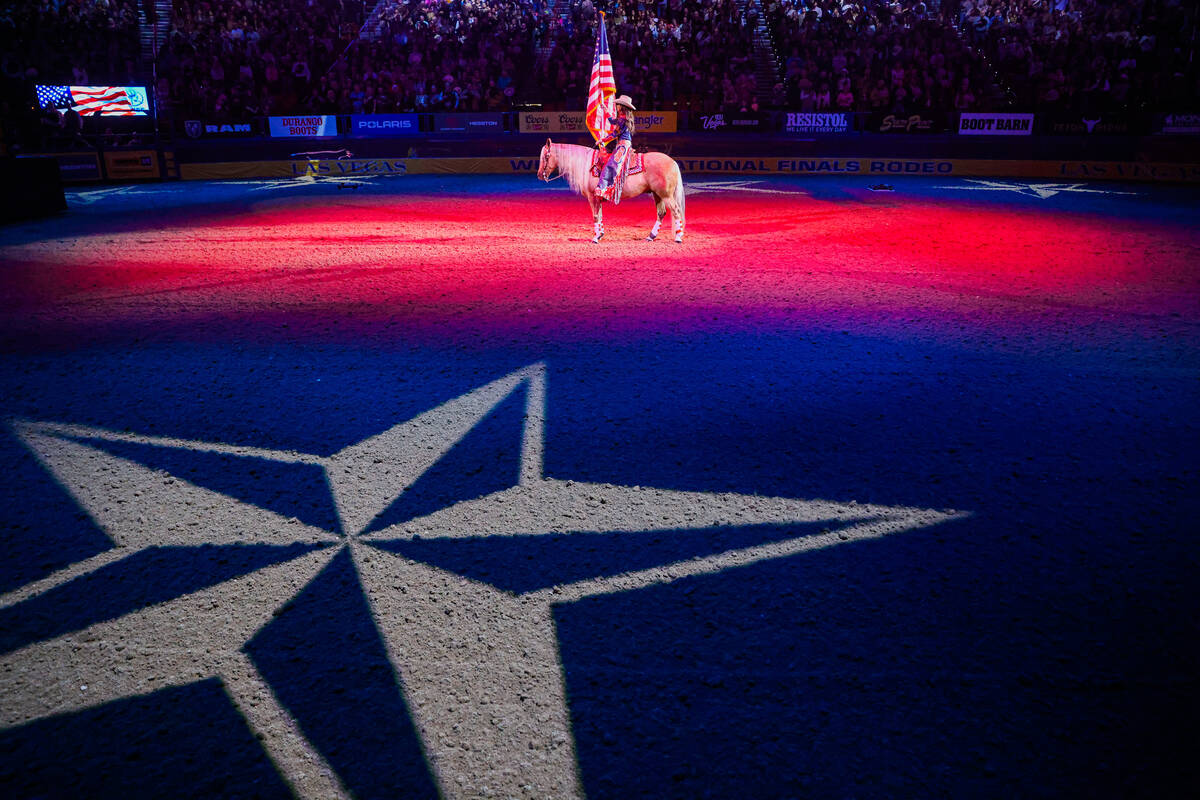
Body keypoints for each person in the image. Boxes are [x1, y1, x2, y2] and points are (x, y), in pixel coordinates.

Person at [595, 94, 636, 203]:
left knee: (611, 165)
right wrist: (605, 110)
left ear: (622, 107)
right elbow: (613, 121)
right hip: (623, 144)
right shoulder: (622, 118)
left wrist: (602, 140)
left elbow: (615, 134)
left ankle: (606, 189)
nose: (616, 106)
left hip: (623, 145)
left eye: (618, 104)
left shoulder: (623, 119)